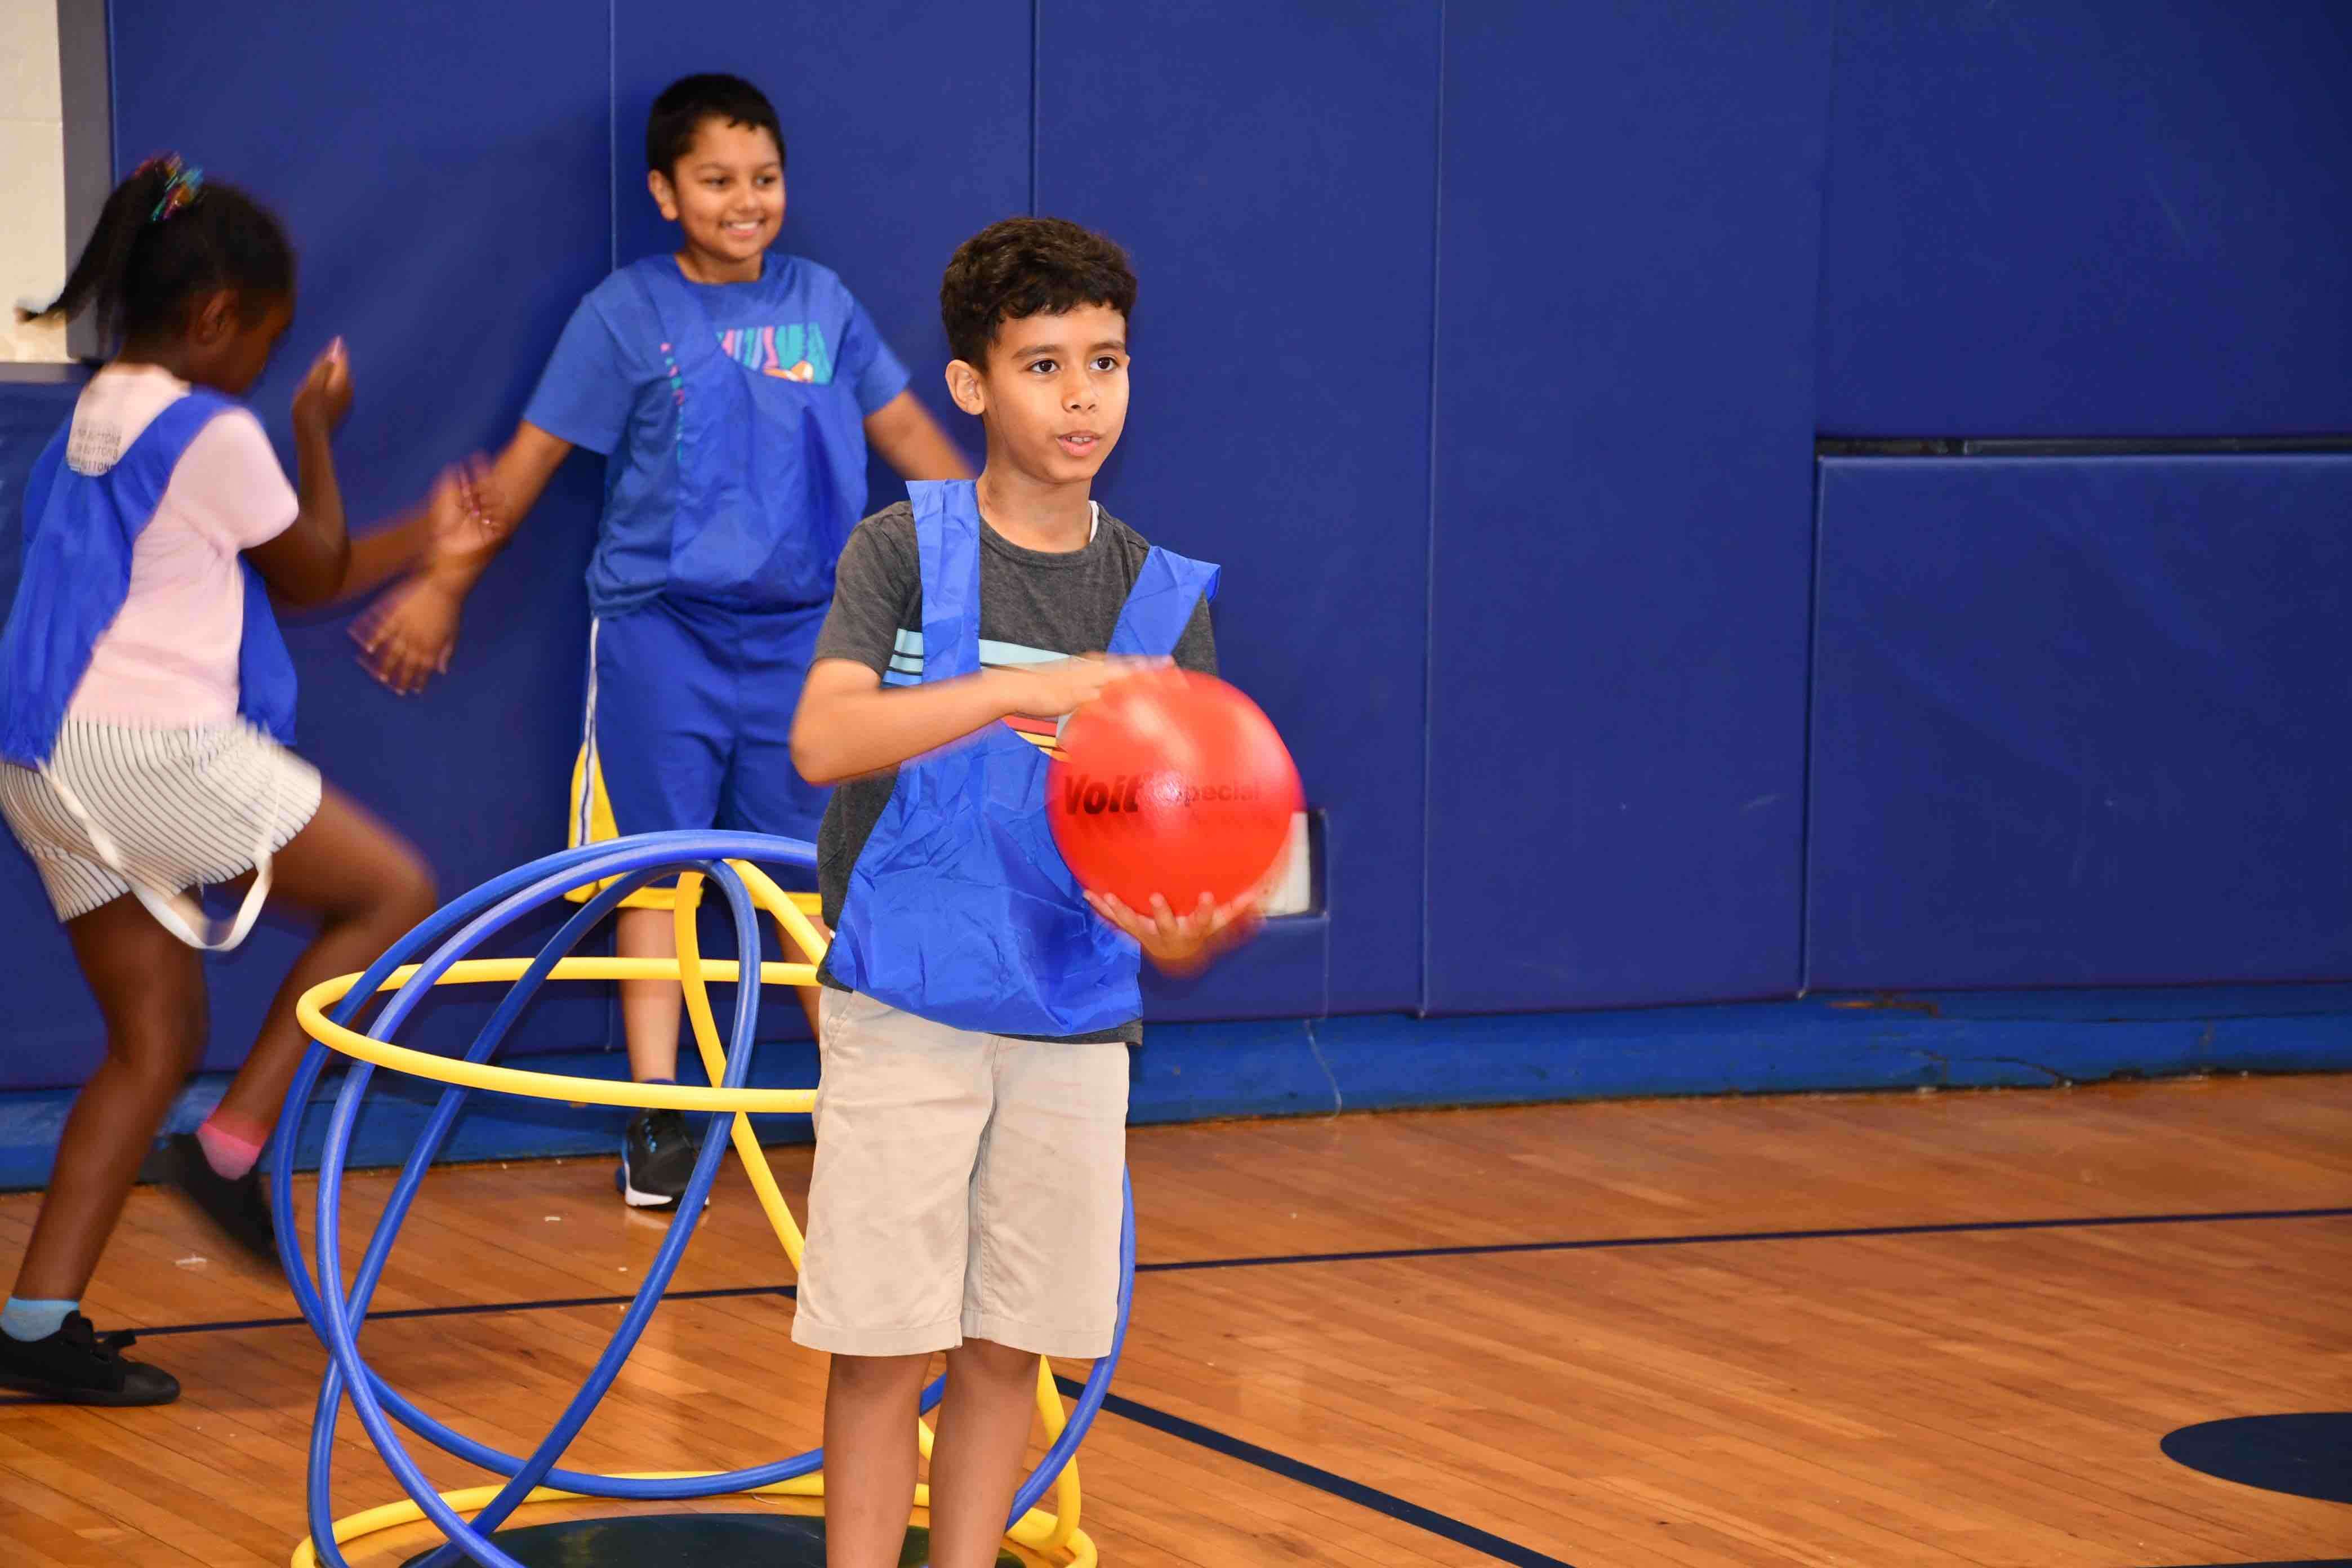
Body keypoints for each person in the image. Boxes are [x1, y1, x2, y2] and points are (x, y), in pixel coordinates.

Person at [354, 73, 970, 1211]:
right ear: (665, 191)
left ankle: (864, 1110)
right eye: (718, 181)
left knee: (813, 891)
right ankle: (658, 1114)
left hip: (807, 646)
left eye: (766, 179)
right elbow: (526, 469)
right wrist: (444, 586)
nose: (747, 202)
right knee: (656, 873)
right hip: (661, 642)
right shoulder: (626, 316)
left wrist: (1004, 557)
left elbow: (913, 437)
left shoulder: (823, 305)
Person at [787, 217, 1266, 1568]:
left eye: (1104, 362)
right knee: (885, 1345)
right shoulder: (902, 548)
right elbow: (822, 744)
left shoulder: (1163, 602)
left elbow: (1197, 875)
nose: (1080, 397)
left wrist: (1191, 932)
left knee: (1009, 1344)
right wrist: (1020, 692)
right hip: (904, 1010)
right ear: (970, 384)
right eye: (1044, 365)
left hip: (1071, 1031)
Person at [0, 156, 491, 1405]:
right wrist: (327, 446)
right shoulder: (211, 427)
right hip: (147, 743)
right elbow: (316, 572)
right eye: (264, 343)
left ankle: (33, 1323)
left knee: (152, 1039)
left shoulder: (101, 403)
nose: (265, 369)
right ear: (216, 319)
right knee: (391, 890)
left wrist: (390, 517)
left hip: (40, 760)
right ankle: (233, 1148)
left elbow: (274, 564)